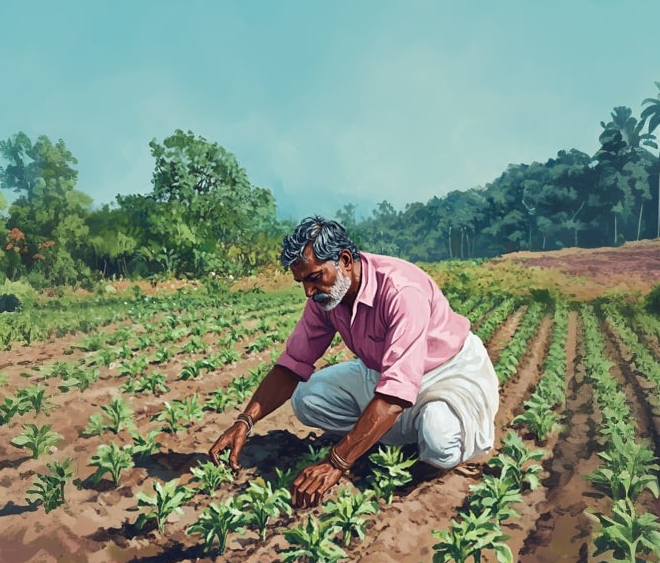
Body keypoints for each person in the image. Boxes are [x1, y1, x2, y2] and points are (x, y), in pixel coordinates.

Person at [208, 216, 499, 508]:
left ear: (345, 260)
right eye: (302, 282)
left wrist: (336, 462)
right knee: (307, 397)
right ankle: (381, 436)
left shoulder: (401, 290)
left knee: (439, 441)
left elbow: (396, 395)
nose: (308, 292)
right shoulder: (326, 297)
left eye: (314, 277)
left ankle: (411, 442)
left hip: (445, 373)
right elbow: (293, 364)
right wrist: (245, 421)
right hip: (383, 371)